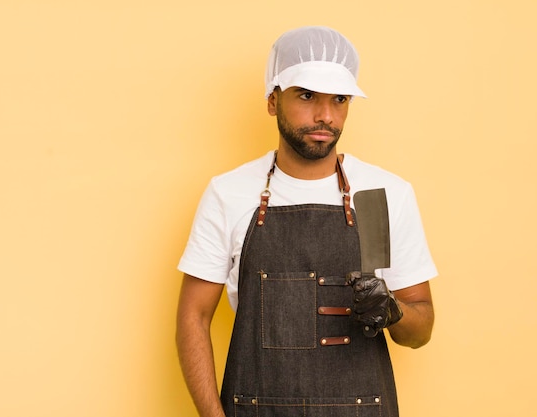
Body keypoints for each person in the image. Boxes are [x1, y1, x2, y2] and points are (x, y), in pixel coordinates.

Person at [176, 26, 437, 417]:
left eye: (339, 99)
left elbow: (421, 329)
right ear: (272, 100)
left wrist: (394, 311)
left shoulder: (382, 194)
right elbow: (193, 317)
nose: (325, 115)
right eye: (307, 96)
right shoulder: (229, 193)